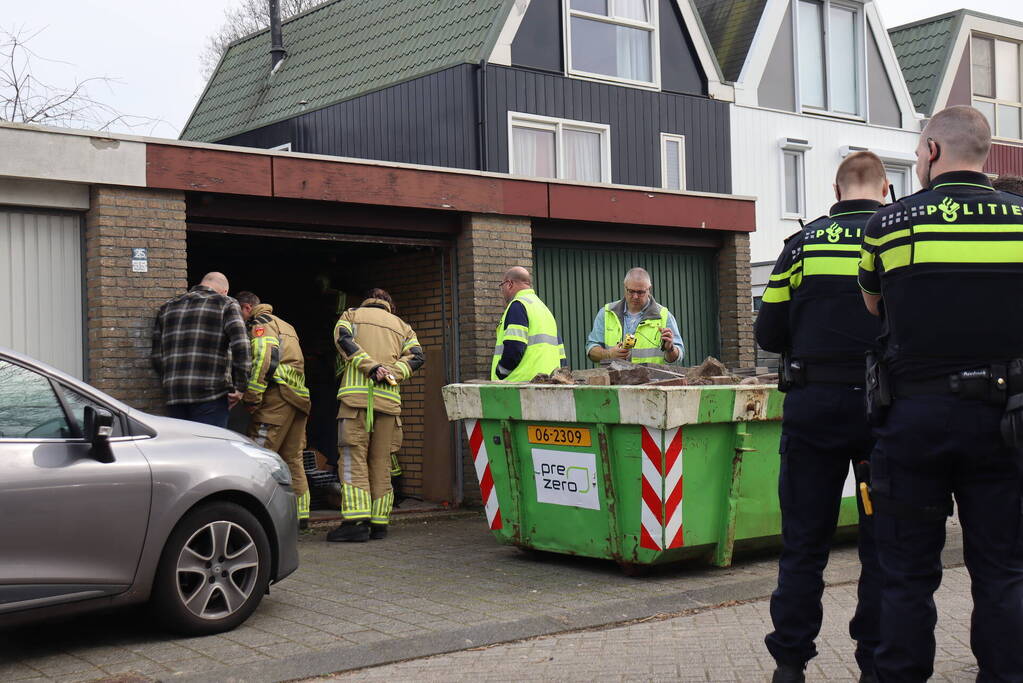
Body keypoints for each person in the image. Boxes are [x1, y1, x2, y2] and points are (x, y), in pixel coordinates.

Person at [858, 105, 1023, 681]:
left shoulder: (889, 224)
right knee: (1004, 571)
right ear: (989, 154)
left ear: (930, 152)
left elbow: (875, 307)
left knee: (905, 574)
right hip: (1006, 421)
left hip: (914, 420)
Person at [757, 152, 888, 683]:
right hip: (882, 410)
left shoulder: (801, 246)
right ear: (885, 189)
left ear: (836, 189)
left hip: (813, 407)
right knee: (882, 544)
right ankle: (874, 662)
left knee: (805, 544)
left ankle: (790, 663)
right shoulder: (895, 239)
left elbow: (768, 333)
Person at [328, 289, 424, 542]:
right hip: (389, 405)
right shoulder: (403, 326)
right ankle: (380, 523)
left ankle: (356, 522)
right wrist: (393, 372)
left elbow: (343, 340)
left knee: (353, 458)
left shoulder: (351, 315)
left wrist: (372, 368)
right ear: (389, 304)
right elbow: (417, 357)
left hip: (355, 403)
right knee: (381, 462)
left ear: (367, 300)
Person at [235, 292, 312, 530]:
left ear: (247, 307)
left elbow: (264, 359)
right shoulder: (285, 324)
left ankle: (254, 516)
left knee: (257, 455)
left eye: (238, 312)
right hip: (298, 398)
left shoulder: (261, 324)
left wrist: (252, 396)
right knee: (293, 459)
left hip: (277, 398)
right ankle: (300, 516)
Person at [151, 272, 249, 428]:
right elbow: (241, 346)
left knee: (183, 449)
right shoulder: (226, 303)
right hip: (210, 395)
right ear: (224, 291)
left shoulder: (167, 307)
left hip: (175, 395)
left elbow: (157, 356)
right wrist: (241, 387)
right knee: (210, 448)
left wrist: (172, 382)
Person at [585, 267, 683, 365]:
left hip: (652, 379)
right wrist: (609, 354)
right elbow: (591, 350)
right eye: (631, 291)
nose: (635, 296)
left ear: (649, 289)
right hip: (612, 379)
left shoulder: (664, 316)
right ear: (625, 287)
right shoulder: (606, 313)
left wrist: (670, 349)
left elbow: (677, 356)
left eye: (640, 292)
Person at [491, 267, 564, 381]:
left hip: (519, 387)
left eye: (502, 285)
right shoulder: (544, 309)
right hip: (548, 386)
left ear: (510, 284)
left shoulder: (518, 305)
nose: (502, 291)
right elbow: (561, 355)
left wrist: (501, 372)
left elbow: (514, 347)